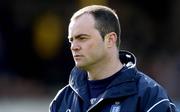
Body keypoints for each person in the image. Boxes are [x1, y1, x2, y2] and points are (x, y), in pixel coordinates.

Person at [49, 5, 178, 112]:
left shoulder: (149, 96)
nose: (74, 47)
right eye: (71, 40)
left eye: (82, 38)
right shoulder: (62, 99)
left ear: (110, 39)